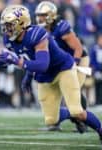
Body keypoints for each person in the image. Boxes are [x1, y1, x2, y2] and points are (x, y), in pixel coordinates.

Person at [0, 5, 102, 148]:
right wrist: (27, 76)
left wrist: (18, 62)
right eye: (5, 25)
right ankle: (72, 115)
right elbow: (30, 56)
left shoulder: (37, 34)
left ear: (21, 23)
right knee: (51, 120)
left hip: (62, 69)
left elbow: (42, 64)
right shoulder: (9, 39)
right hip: (44, 76)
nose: (6, 29)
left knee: (77, 110)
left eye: (9, 25)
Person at [35, 1, 90, 132]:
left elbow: (78, 48)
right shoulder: (39, 30)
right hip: (61, 62)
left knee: (72, 91)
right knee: (54, 92)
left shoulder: (61, 28)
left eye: (43, 15)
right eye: (38, 15)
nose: (40, 18)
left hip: (78, 58)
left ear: (51, 15)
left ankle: (82, 123)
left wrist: (74, 64)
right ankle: (55, 121)